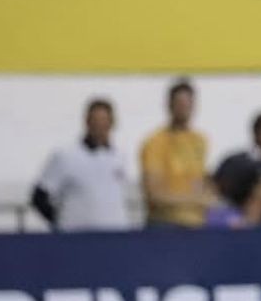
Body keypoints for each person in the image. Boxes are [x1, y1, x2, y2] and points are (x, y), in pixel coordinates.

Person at [29, 98, 131, 232]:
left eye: (104, 120)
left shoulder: (119, 156)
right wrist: (61, 223)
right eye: (95, 120)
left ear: (112, 123)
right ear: (87, 122)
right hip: (78, 238)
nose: (99, 125)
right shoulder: (65, 155)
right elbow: (39, 197)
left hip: (115, 236)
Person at [139, 79, 209, 228]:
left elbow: (199, 182)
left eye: (187, 104)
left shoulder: (199, 140)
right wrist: (194, 200)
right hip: (166, 224)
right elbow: (153, 194)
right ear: (169, 105)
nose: (183, 108)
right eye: (179, 103)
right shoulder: (155, 142)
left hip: (195, 224)